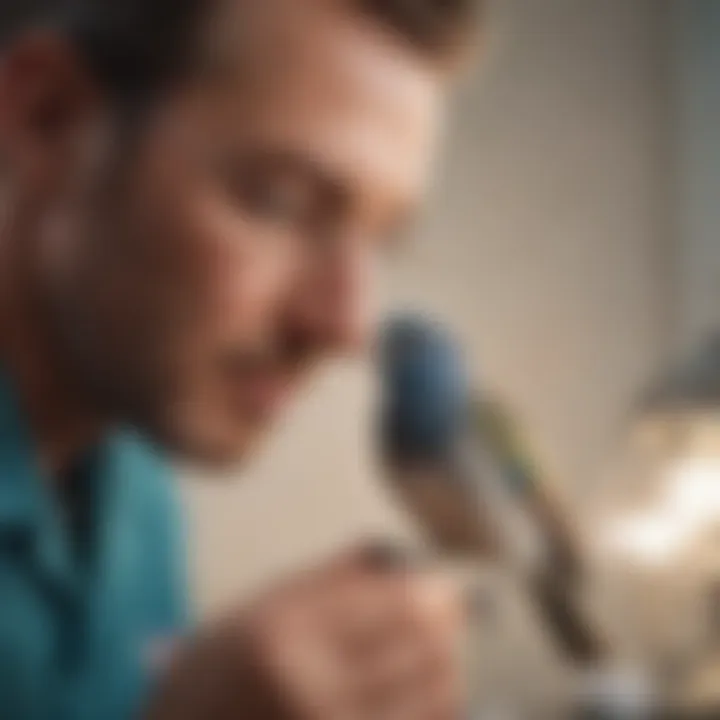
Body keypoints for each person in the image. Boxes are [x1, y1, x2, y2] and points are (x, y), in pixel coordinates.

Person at [0, 0, 481, 718]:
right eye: (281, 202)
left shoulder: (138, 482)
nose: (347, 326)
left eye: (382, 241)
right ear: (51, 118)